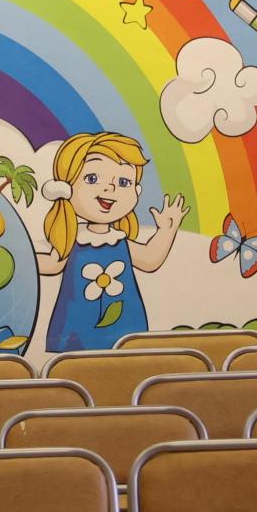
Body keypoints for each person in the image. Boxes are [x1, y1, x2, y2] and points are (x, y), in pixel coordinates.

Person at [35, 131, 186, 352]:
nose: (110, 189)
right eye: (92, 179)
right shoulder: (73, 240)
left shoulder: (120, 241)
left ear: (136, 191)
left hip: (125, 327)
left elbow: (150, 259)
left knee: (125, 363)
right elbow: (52, 263)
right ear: (65, 188)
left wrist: (167, 229)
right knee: (74, 367)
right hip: (76, 327)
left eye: (124, 182)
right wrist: (19, 256)